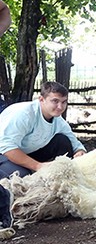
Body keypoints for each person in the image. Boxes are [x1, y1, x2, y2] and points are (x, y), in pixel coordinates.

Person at [0, 81, 87, 229]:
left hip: (28, 150)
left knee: (63, 141)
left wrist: (79, 153)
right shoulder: (25, 114)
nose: (60, 107)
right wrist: (38, 166)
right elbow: (7, 146)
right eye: (55, 101)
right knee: (19, 177)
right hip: (4, 152)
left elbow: (76, 144)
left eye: (64, 102)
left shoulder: (58, 120)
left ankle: (55, 182)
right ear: (41, 99)